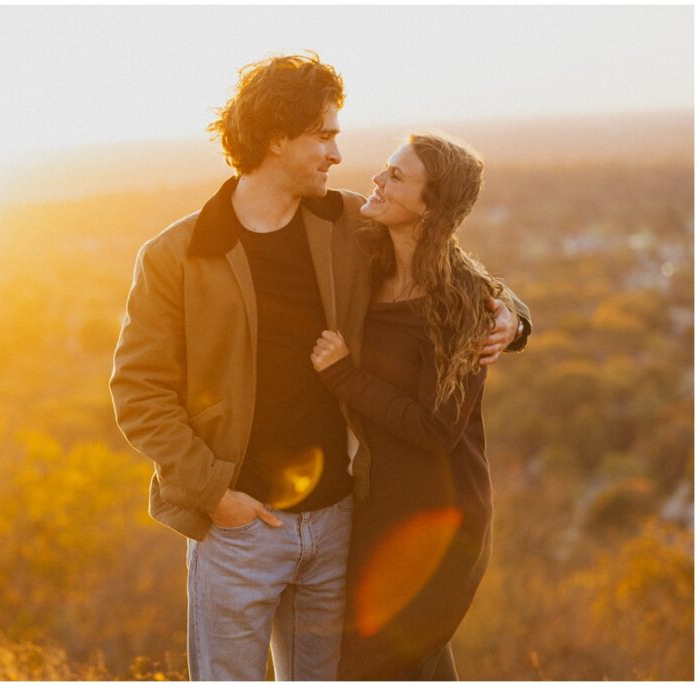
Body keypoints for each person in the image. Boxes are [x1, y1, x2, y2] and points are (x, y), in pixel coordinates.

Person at [110, 54, 530, 681]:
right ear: (279, 136)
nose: (338, 154)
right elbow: (139, 393)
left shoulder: (348, 226)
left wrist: (513, 317)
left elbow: (449, 266)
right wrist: (214, 494)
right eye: (326, 135)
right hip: (238, 530)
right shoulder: (177, 255)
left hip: (338, 525)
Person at [311, 133, 525, 679]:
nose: (377, 181)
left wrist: (343, 376)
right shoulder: (370, 259)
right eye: (386, 169)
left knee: (376, 664)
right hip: (378, 512)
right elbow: (507, 300)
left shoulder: (458, 300)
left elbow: (435, 428)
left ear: (431, 206)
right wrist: (518, 318)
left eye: (397, 177)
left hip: (442, 521)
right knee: (413, 666)